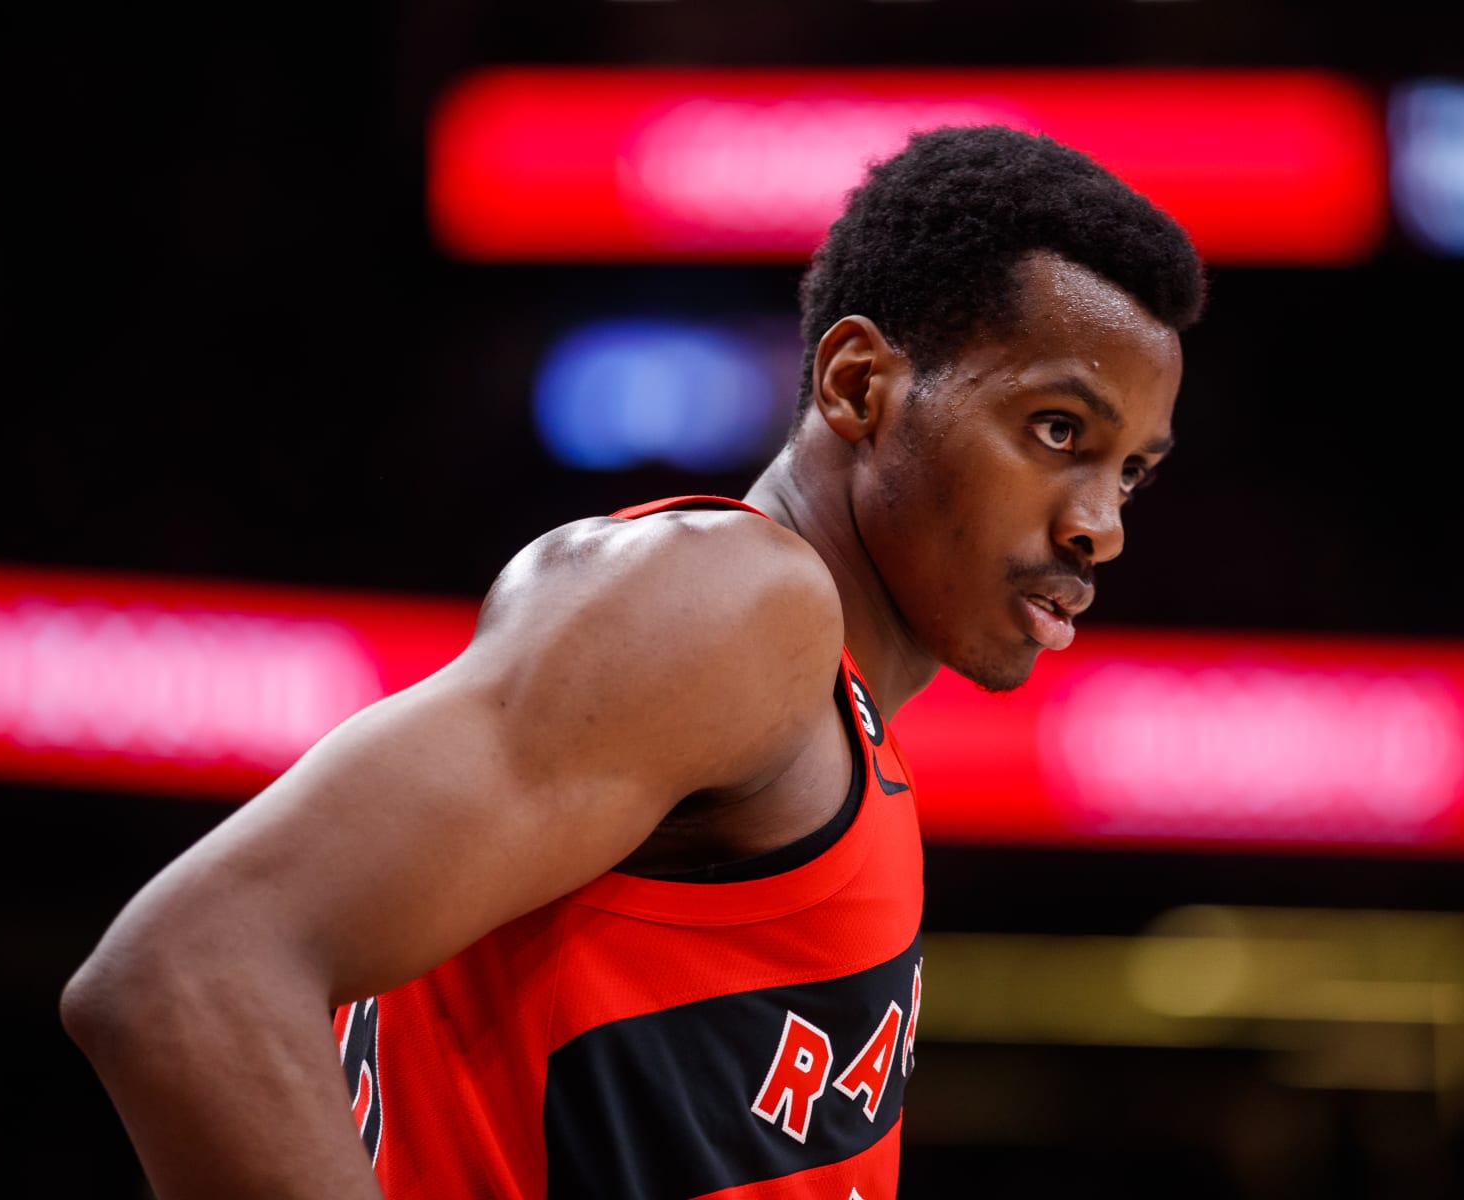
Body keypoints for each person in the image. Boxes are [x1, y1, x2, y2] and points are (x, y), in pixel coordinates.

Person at [61, 124, 1205, 1199]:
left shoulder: (827, 722)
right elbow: (188, 974)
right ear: (860, 386)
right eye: (1060, 431)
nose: (1099, 526)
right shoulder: (733, 601)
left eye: (1132, 473)